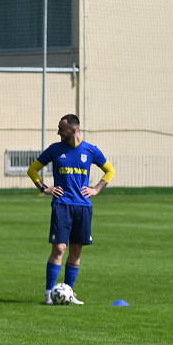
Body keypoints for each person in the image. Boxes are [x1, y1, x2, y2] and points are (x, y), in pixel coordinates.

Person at [27, 113, 115, 305]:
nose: (58, 132)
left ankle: (68, 292)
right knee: (60, 247)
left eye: (61, 128)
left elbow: (110, 170)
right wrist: (44, 188)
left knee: (76, 250)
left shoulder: (91, 150)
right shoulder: (55, 149)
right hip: (62, 205)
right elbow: (32, 170)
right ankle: (50, 294)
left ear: (73, 130)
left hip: (83, 206)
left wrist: (96, 189)